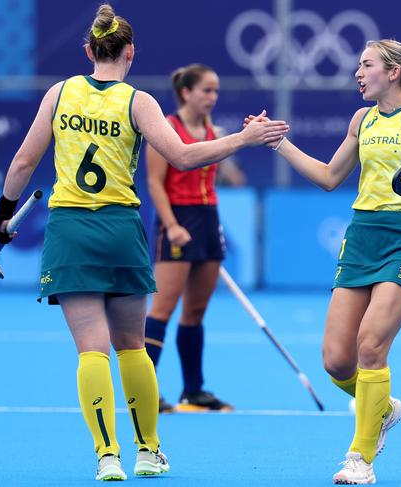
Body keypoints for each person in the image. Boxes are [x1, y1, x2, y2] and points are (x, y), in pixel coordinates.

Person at [0, 4, 287, 481]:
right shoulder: (139, 101)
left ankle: (107, 456)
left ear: (89, 50)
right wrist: (244, 139)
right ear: (130, 52)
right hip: (120, 231)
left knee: (91, 351)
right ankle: (148, 450)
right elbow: (185, 157)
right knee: (131, 346)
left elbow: (23, 161)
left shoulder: (59, 93)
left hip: (70, 231)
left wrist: (3, 215)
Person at [246, 39, 401, 484]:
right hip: (361, 237)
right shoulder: (361, 120)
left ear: (394, 72)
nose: (357, 74)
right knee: (336, 361)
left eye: (366, 65)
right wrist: (279, 144)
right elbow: (328, 177)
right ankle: (381, 409)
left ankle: (359, 459)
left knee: (370, 347)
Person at [144, 64, 238, 413]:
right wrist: (171, 225)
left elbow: (224, 179)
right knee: (163, 308)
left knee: (196, 311)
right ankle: (145, 389)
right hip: (177, 219)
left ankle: (193, 390)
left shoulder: (215, 131)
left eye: (215, 91)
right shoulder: (167, 129)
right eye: (206, 90)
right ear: (186, 92)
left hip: (208, 218)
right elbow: (155, 182)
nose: (212, 97)